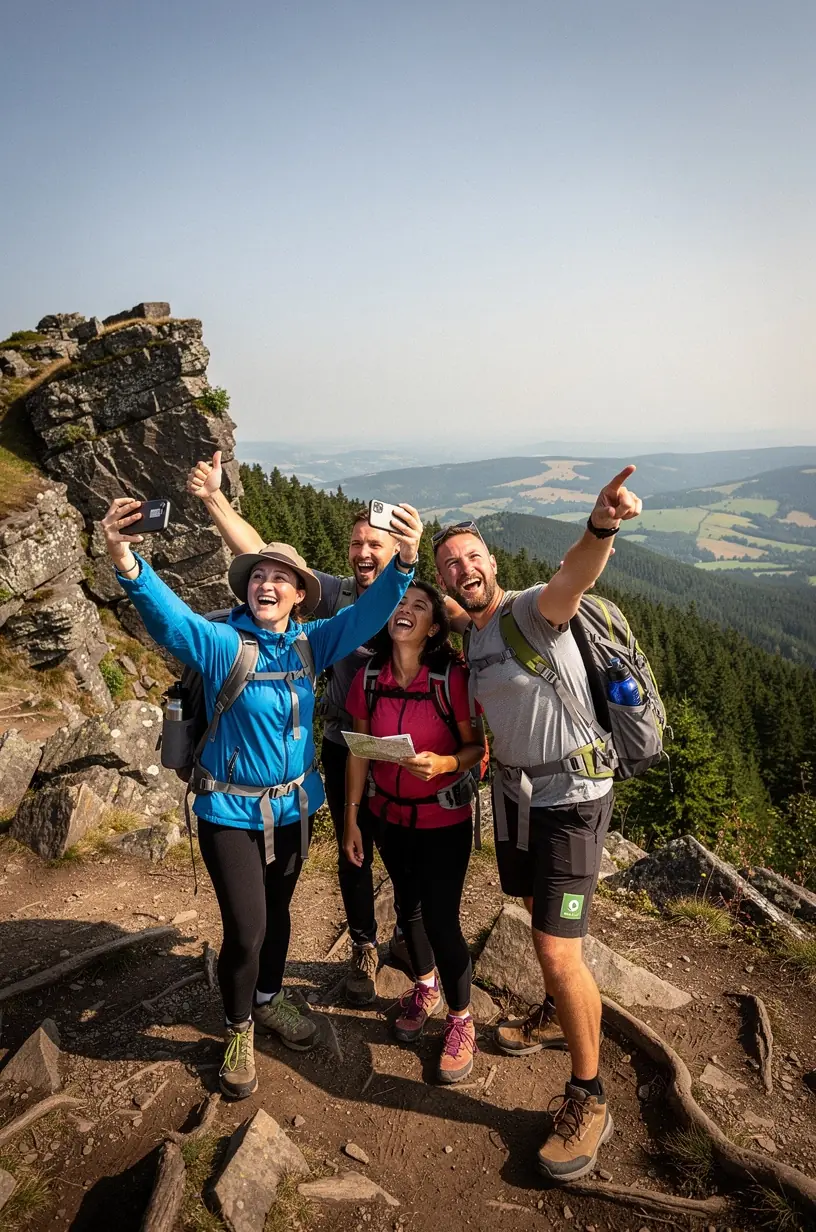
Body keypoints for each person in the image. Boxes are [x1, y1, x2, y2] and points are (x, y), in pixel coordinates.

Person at [101, 494, 422, 1100]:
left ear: (301, 594)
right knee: (246, 930)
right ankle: (239, 1026)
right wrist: (128, 563)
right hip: (230, 813)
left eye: (281, 578)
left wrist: (403, 564)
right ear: (248, 590)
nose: (267, 585)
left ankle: (270, 1000)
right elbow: (175, 622)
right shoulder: (225, 644)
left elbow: (369, 616)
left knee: (279, 919)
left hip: (295, 811)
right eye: (260, 576)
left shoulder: (312, 644)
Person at [432, 467, 641, 1180]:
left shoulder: (529, 611)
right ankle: (557, 1017)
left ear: (492, 562)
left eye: (471, 557)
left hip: (574, 798)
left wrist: (601, 526)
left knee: (558, 950)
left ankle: (591, 1097)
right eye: (450, 565)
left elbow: (575, 578)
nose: (463, 570)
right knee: (529, 910)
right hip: (517, 799)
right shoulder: (474, 635)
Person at [186, 452, 438, 1004]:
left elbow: (471, 617)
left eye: (376, 544)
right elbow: (258, 555)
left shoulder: (416, 598)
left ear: (397, 551)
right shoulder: (333, 596)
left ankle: (414, 945)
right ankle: (364, 945)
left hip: (402, 752)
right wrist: (213, 498)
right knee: (354, 852)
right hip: (342, 743)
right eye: (357, 544)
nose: (364, 552)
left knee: (407, 854)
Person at [342, 581, 484, 1083]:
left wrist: (445, 761)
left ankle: (462, 1020)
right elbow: (359, 750)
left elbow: (474, 749)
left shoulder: (453, 678)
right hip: (390, 818)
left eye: (418, 606)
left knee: (442, 919)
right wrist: (352, 818)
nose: (405, 611)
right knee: (407, 908)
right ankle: (425, 985)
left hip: (443, 819)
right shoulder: (369, 676)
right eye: (400, 604)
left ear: (434, 627)